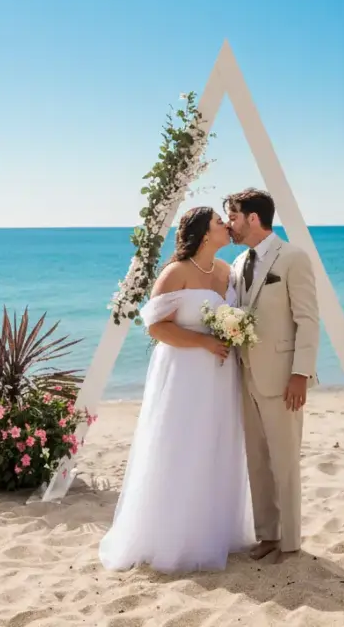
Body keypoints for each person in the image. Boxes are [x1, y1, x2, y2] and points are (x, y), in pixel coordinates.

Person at [99, 207, 254, 574]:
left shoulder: (226, 272)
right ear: (204, 233)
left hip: (220, 374)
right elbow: (156, 327)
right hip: (184, 373)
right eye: (220, 222)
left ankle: (212, 530)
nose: (227, 226)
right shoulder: (175, 273)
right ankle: (172, 536)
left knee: (216, 444)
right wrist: (203, 343)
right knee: (181, 445)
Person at [225, 188, 319, 563]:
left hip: (282, 379)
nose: (229, 225)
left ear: (252, 218)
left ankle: (291, 542)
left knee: (285, 461)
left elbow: (308, 320)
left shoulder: (293, 258)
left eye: (233, 217)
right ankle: (267, 535)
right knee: (258, 461)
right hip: (245, 375)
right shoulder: (237, 264)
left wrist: (300, 374)